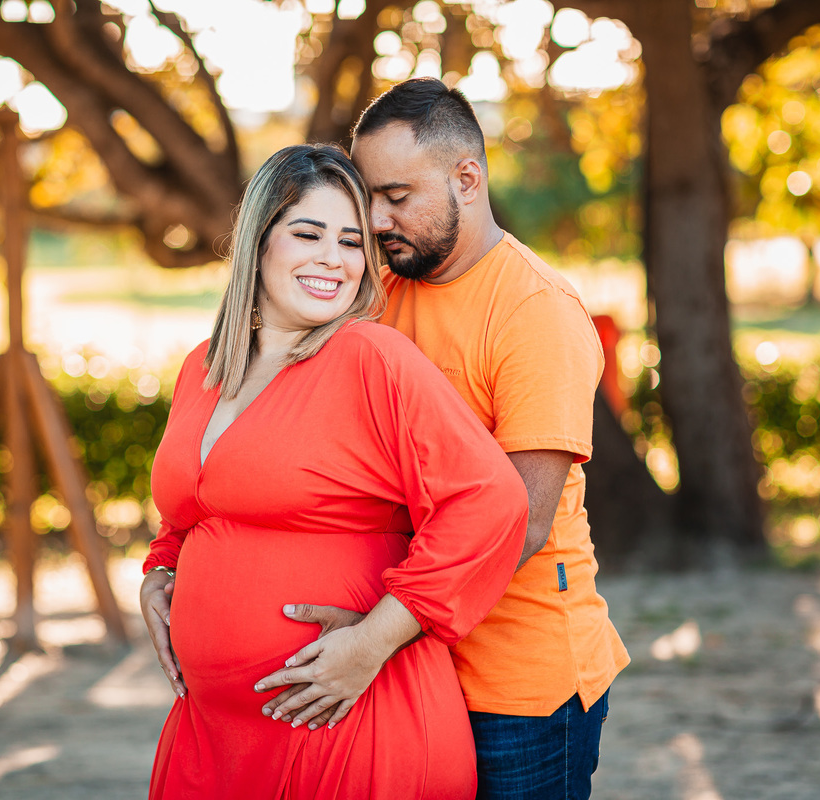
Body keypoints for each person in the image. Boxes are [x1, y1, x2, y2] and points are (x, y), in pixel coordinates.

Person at [254, 79, 631, 799]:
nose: (376, 218)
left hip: (515, 683)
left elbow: (517, 521)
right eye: (368, 196)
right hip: (400, 656)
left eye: (397, 196)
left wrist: (374, 635)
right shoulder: (378, 290)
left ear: (468, 178)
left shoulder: (535, 313)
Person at [139, 143, 530, 799]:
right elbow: (190, 510)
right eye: (309, 233)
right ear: (258, 240)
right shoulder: (203, 367)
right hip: (219, 735)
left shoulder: (370, 356)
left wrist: (372, 642)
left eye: (352, 242)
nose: (334, 259)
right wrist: (161, 572)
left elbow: (490, 504)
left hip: (349, 720)